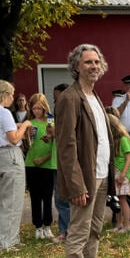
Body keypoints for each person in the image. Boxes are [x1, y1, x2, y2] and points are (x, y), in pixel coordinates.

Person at [55, 44, 114, 258]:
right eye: (88, 62)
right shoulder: (69, 98)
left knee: (94, 230)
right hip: (85, 179)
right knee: (78, 234)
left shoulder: (95, 96)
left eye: (96, 62)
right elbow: (66, 146)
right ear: (76, 66)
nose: (93, 66)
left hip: (101, 176)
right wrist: (76, 184)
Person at [0, 80, 32, 251]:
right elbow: (13, 138)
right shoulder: (4, 113)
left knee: (9, 199)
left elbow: (4, 132)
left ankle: (11, 238)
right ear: (4, 95)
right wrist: (26, 124)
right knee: (13, 201)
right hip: (11, 155)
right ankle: (4, 243)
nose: (13, 98)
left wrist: (17, 126)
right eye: (11, 94)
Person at [25, 93, 56, 239]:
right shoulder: (29, 122)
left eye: (39, 108)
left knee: (47, 196)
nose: (37, 111)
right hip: (31, 163)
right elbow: (24, 146)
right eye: (34, 108)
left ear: (45, 108)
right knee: (35, 197)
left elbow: (56, 145)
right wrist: (27, 136)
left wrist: (44, 157)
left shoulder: (51, 121)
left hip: (48, 164)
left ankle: (47, 225)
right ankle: (38, 226)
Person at [108, 112, 130, 233]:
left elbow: (129, 158)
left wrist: (123, 174)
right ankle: (119, 224)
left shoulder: (123, 139)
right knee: (117, 199)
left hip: (121, 173)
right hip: (115, 172)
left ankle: (127, 224)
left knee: (123, 199)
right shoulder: (113, 140)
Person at [51, 83, 71, 243]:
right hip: (58, 161)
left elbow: (68, 137)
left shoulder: (70, 114)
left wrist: (55, 133)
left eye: (58, 98)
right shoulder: (59, 114)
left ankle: (68, 232)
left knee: (64, 199)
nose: (55, 102)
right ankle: (66, 230)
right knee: (60, 199)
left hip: (68, 163)